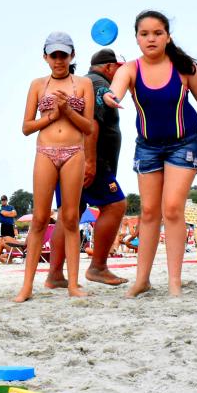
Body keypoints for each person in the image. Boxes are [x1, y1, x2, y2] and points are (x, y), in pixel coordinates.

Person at [104, 11, 197, 297]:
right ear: (136, 38)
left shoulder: (184, 68)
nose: (151, 38)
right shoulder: (130, 69)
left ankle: (175, 281)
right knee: (149, 212)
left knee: (172, 208)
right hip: (148, 146)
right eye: (145, 34)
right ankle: (142, 280)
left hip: (184, 143)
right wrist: (109, 97)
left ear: (167, 36)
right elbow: (115, 91)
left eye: (157, 33)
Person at [15, 32, 94, 302]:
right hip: (45, 151)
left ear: (72, 56)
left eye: (63, 55)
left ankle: (73, 283)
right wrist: (53, 115)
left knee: (70, 218)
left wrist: (69, 111)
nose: (58, 60)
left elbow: (89, 127)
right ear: (46, 57)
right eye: (54, 55)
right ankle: (26, 285)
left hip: (74, 151)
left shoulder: (83, 84)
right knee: (39, 218)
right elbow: (26, 127)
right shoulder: (38, 85)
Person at [46, 48, 128, 288]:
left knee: (70, 213)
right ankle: (98, 267)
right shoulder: (98, 83)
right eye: (118, 69)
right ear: (110, 67)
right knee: (115, 205)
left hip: (68, 157)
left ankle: (55, 275)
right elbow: (91, 122)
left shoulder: (83, 82)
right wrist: (90, 162)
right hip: (90, 159)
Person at [0, 195, 18, 264]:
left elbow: (14, 214)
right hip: (3, 225)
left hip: (10, 225)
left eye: (4, 200)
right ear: (1, 200)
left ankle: (9, 258)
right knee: (1, 240)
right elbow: (4, 213)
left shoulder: (11, 206)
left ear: (6, 200)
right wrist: (9, 213)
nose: (3, 201)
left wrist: (6, 214)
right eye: (2, 200)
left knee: (11, 241)